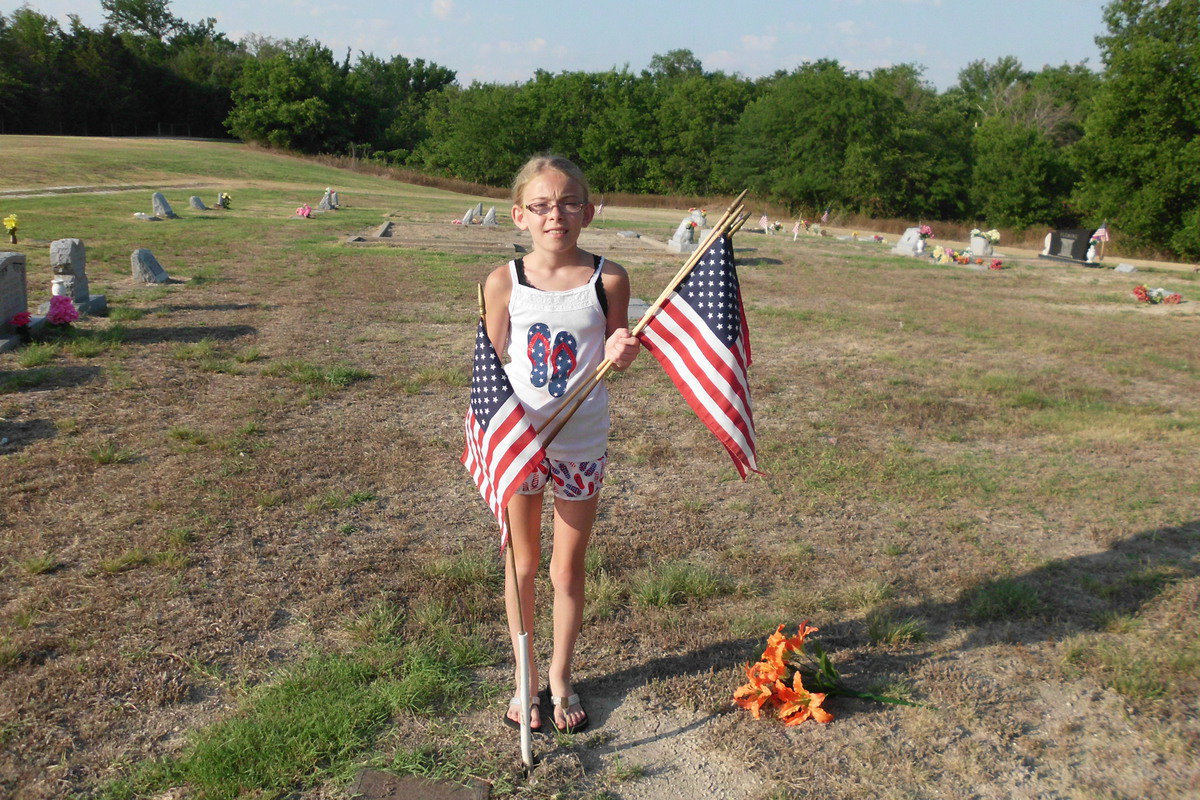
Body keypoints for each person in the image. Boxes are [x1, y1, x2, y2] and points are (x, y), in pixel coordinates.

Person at [483, 154, 640, 735]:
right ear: (521, 215)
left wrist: (622, 352)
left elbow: (615, 351)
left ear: (589, 211)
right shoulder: (504, 281)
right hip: (524, 442)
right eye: (543, 206)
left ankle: (560, 674)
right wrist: (485, 435)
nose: (558, 216)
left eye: (570, 203)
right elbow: (489, 366)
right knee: (521, 564)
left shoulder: (610, 278)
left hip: (581, 444)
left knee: (566, 569)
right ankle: (523, 676)